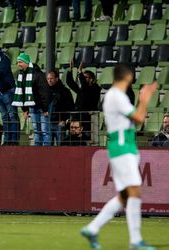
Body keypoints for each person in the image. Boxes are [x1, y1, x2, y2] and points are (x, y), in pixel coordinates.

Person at [81, 64, 157, 250]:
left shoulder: (113, 96)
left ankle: (93, 228)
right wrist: (144, 99)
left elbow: (132, 121)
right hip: (123, 147)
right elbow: (139, 118)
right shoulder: (116, 95)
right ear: (129, 77)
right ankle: (136, 240)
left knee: (124, 195)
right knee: (135, 191)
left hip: (122, 146)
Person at [12, 53, 51, 146]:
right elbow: (23, 94)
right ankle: (37, 151)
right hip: (33, 108)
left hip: (42, 108)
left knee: (45, 130)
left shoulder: (38, 75)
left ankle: (47, 151)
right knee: (37, 130)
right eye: (17, 62)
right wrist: (25, 109)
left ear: (26, 62)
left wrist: (45, 109)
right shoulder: (22, 75)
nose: (18, 64)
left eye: (20, 62)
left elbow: (45, 93)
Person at [67, 60, 101, 132]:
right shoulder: (82, 89)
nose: (83, 79)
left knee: (88, 138)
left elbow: (85, 87)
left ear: (91, 79)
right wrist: (70, 69)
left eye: (86, 77)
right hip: (77, 117)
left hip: (88, 119)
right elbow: (70, 83)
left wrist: (80, 72)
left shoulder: (95, 88)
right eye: (83, 77)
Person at [46, 70, 74, 146]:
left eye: (51, 78)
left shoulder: (65, 91)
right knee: (48, 147)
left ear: (57, 79)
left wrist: (65, 120)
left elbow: (70, 107)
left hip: (60, 123)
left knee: (61, 146)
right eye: (48, 79)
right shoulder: (45, 91)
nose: (49, 80)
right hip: (48, 123)